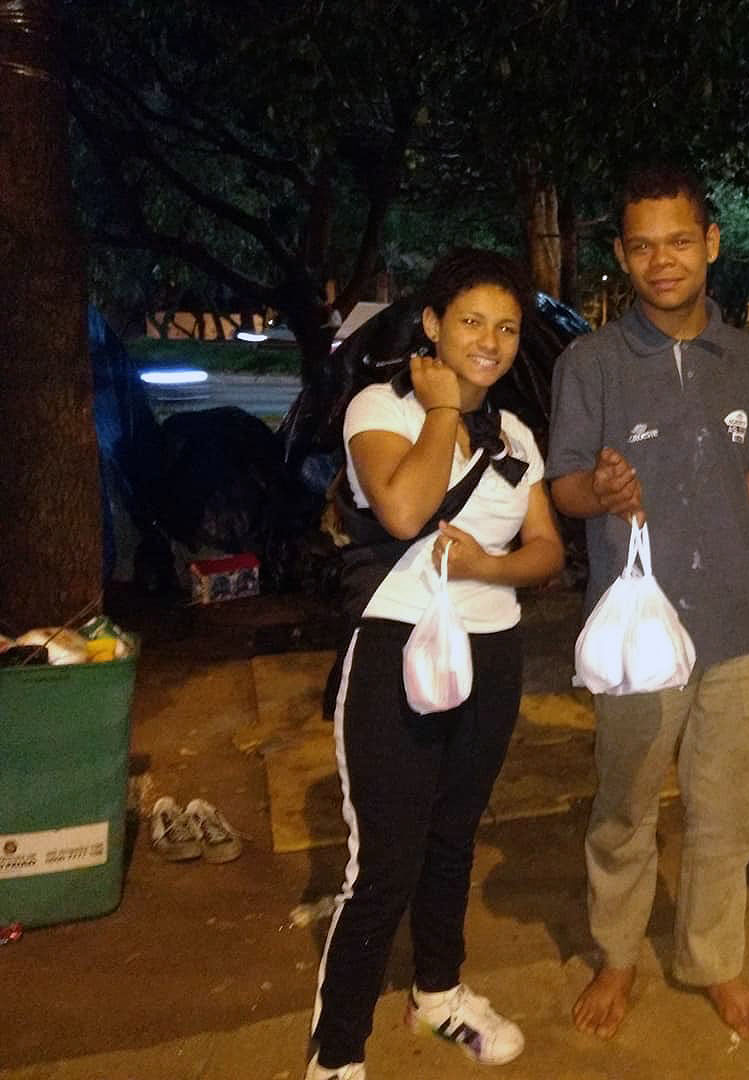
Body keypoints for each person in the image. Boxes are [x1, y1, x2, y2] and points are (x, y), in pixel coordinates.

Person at [547, 165, 749, 1040]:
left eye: (679, 241)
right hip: (638, 640)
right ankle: (618, 953)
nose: (663, 261)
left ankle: (712, 959)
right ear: (622, 255)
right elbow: (563, 486)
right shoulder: (591, 363)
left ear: (711, 244)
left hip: (732, 628)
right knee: (626, 807)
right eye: (643, 246)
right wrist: (601, 490)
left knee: (727, 810)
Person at [306, 249, 565, 1080]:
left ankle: (439, 994)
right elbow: (404, 507)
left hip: (493, 650)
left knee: (454, 837)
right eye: (471, 321)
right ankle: (336, 1056)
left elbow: (548, 549)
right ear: (431, 324)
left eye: (507, 328)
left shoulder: (518, 435)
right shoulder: (379, 407)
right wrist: (444, 409)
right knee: (384, 865)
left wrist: (491, 566)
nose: (490, 341)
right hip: (395, 647)